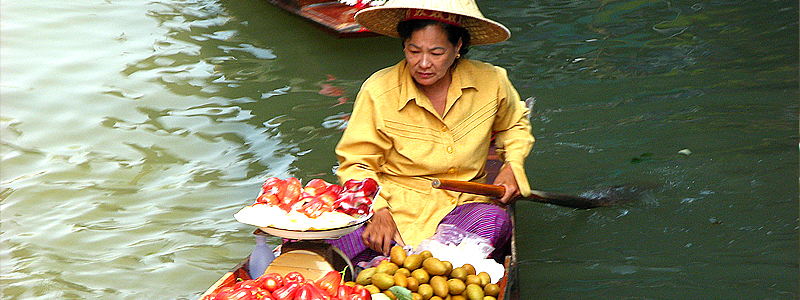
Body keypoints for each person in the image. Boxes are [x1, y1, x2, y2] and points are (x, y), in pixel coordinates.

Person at [329, 0, 534, 263]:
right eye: (414, 51)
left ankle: (420, 261)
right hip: (393, 209)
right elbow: (356, 163)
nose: (423, 63)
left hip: (462, 207)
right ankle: (421, 258)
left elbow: (514, 125)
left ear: (458, 47)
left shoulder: (491, 81)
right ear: (404, 45)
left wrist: (512, 166)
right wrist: (377, 210)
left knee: (494, 220)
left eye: (436, 53)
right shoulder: (378, 91)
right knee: (326, 237)